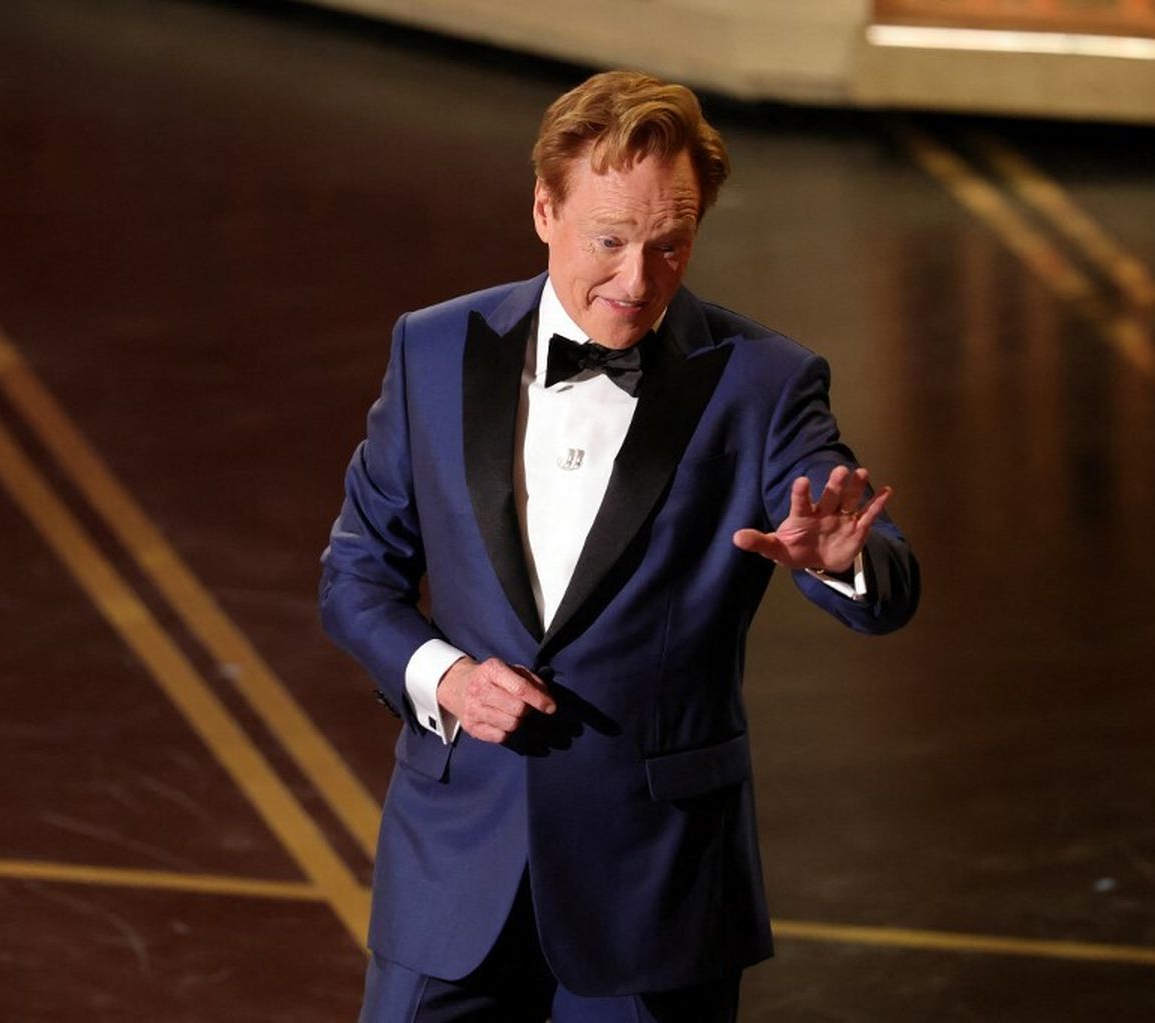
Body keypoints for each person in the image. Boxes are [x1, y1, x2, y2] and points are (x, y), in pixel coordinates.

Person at [320, 69, 919, 1023]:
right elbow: (357, 574)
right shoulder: (432, 350)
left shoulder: (763, 383)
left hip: (655, 890)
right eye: (609, 240)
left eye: (669, 245)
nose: (638, 282)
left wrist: (842, 559)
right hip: (454, 868)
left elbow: (882, 570)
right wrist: (448, 678)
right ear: (544, 209)